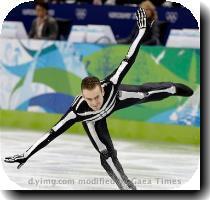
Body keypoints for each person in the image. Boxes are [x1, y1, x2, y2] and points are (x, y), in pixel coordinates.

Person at [4, 8, 193, 190]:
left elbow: (129, 58)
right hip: (94, 123)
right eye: (89, 99)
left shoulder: (111, 84)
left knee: (146, 93)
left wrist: (141, 32)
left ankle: (172, 88)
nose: (94, 103)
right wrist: (26, 154)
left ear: (102, 90)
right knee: (107, 155)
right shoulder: (78, 110)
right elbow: (52, 133)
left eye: (95, 97)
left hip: (116, 100)